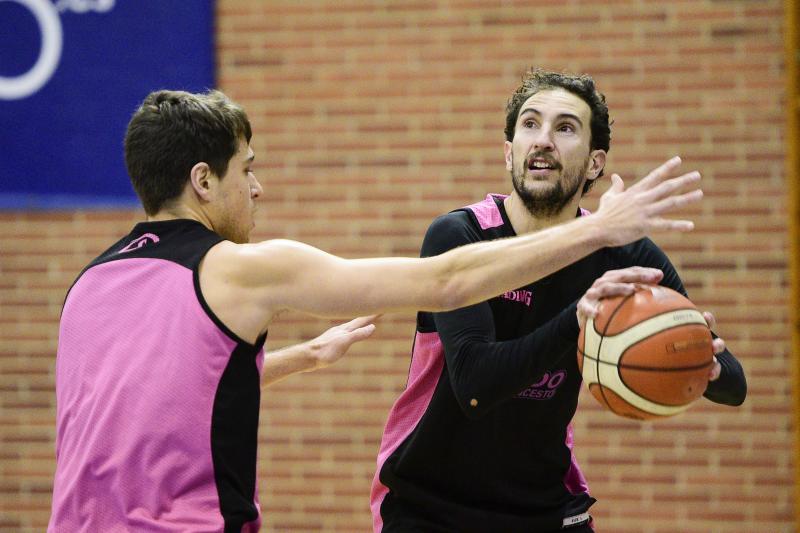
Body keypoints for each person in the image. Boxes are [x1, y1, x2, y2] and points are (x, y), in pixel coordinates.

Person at [49, 88, 702, 532]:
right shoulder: (240, 266)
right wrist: (596, 231)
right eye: (246, 168)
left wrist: (304, 355)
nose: (258, 186)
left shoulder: (91, 282)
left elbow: (159, 393)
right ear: (202, 180)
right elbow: (444, 282)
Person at [370, 69, 747, 533]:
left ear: (594, 163)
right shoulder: (461, 236)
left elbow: (734, 384)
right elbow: (474, 386)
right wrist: (579, 315)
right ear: (509, 153)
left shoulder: (625, 254)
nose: (543, 140)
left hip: (544, 506)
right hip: (429, 504)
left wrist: (698, 360)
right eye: (530, 125)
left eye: (565, 128)